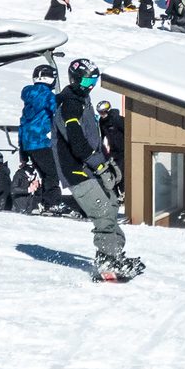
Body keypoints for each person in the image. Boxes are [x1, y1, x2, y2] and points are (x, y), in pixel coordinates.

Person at [58, 59, 139, 281]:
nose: (90, 85)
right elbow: (77, 142)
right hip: (76, 171)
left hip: (92, 167)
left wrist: (107, 163)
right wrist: (100, 165)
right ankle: (107, 261)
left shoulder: (83, 100)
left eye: (94, 80)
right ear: (74, 79)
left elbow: (93, 140)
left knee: (112, 206)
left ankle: (115, 254)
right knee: (103, 213)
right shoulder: (69, 105)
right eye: (86, 80)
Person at [19, 63, 63, 209]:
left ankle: (44, 202)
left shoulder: (29, 97)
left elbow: (23, 123)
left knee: (45, 172)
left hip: (28, 143)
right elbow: (60, 111)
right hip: (41, 141)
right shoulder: (48, 96)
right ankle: (52, 204)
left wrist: (22, 150)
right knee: (53, 173)